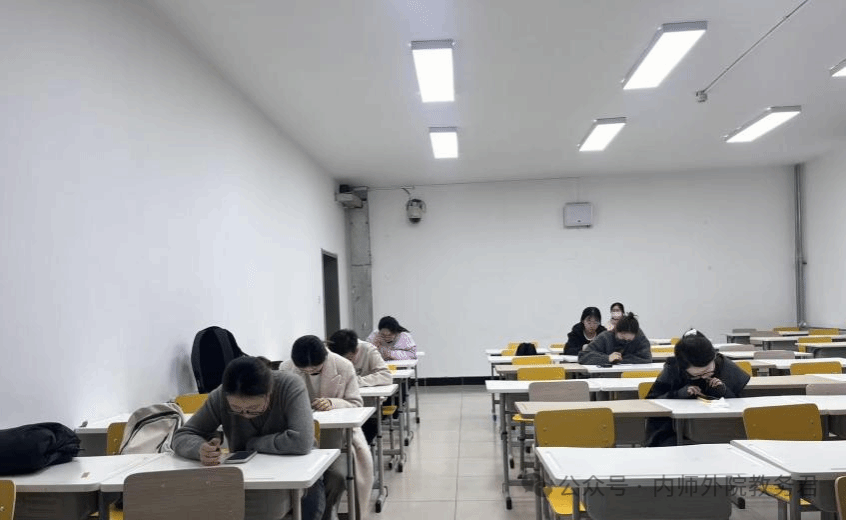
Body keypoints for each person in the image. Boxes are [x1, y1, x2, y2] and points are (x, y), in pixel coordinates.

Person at [172, 356, 324, 520]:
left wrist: (253, 443)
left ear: (269, 394)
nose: (245, 415)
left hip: (296, 471)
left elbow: (301, 441)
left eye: (254, 408)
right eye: (236, 409)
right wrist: (200, 449)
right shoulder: (220, 396)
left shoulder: (290, 385)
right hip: (248, 477)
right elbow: (183, 435)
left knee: (269, 509)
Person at [280, 335, 373, 520]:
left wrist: (333, 403)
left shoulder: (343, 366)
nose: (309, 371)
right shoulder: (286, 368)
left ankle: (327, 512)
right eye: (304, 370)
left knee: (337, 475)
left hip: (337, 436)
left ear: (325, 358)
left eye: (315, 369)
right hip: (300, 435)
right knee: (302, 476)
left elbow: (356, 403)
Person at [645, 330, 751, 446]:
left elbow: (741, 407)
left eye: (708, 371)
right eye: (697, 375)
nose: (704, 377)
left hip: (724, 432)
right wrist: (678, 394)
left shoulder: (726, 368)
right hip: (675, 433)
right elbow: (652, 403)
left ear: (714, 357)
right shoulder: (673, 369)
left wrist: (724, 392)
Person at [327, 328, 390, 444]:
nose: (345, 363)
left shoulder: (368, 350)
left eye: (348, 358)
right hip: (340, 405)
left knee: (363, 437)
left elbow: (386, 376)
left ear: (356, 351)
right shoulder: (330, 354)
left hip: (366, 404)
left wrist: (357, 381)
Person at [578, 312, 652, 365]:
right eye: (622, 337)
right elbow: (583, 357)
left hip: (632, 375)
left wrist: (620, 360)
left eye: (629, 340)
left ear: (635, 334)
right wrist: (607, 358)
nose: (625, 341)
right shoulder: (605, 337)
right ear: (616, 331)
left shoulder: (640, 339)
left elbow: (647, 358)